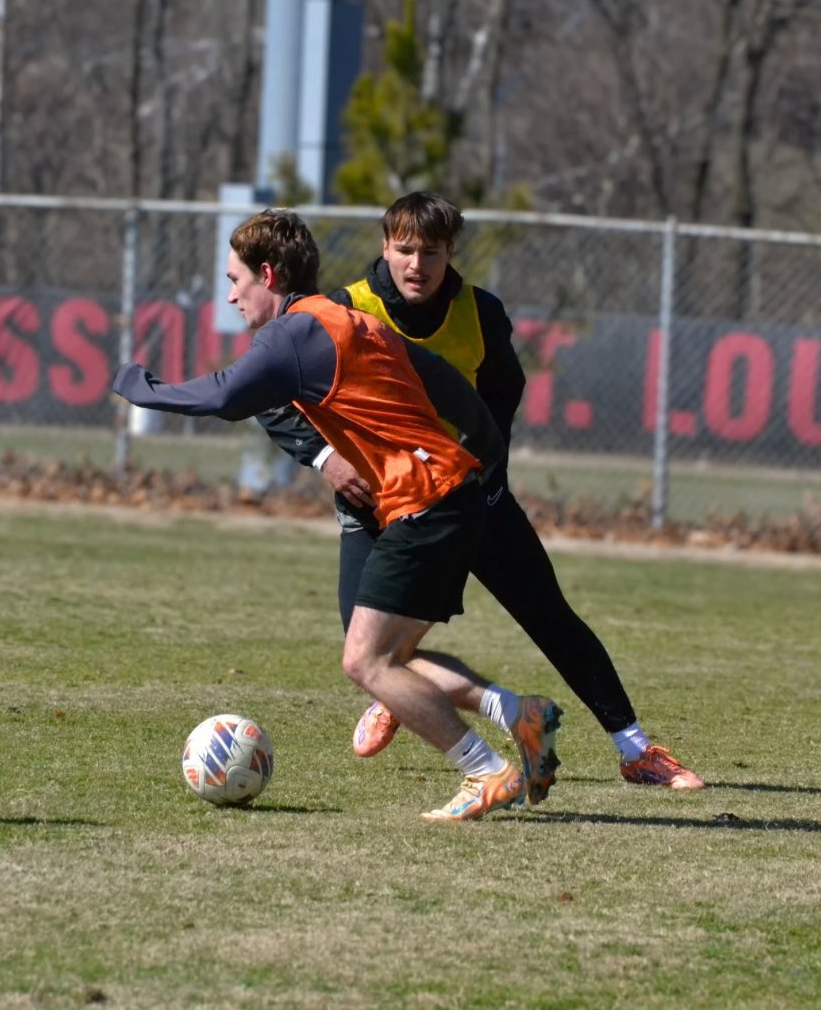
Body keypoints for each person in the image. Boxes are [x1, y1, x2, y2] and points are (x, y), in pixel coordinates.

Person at [113, 208, 563, 822]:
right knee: (389, 658)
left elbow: (223, 396)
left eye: (235, 279)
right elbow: (448, 388)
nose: (231, 294)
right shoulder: (346, 319)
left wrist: (138, 384)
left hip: (425, 503)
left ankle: (486, 771)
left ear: (266, 274)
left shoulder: (291, 335)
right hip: (450, 494)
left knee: (364, 661)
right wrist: (484, 456)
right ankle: (519, 714)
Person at [259, 192, 703, 793]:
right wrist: (328, 459)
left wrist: (482, 474)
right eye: (406, 249)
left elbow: (500, 400)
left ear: (451, 254)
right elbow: (272, 396)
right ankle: (406, 692)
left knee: (551, 618)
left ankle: (637, 750)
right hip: (377, 508)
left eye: (433, 252)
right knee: (365, 652)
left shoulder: (480, 312)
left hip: (468, 495)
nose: (418, 264)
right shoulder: (341, 309)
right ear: (384, 248)